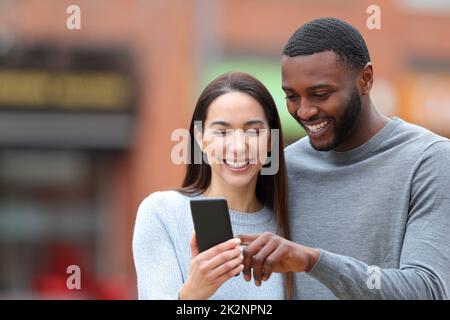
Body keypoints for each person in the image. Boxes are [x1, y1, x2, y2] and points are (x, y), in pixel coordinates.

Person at [239, 17, 450, 299]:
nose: (304, 111)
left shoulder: (429, 160)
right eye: (292, 96)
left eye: (320, 94)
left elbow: (428, 290)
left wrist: (313, 262)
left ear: (366, 79)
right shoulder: (282, 166)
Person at [132, 72, 292, 299]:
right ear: (200, 138)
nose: (238, 147)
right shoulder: (162, 213)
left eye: (253, 131)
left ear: (270, 141)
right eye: (222, 132)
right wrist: (192, 293)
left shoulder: (287, 224)